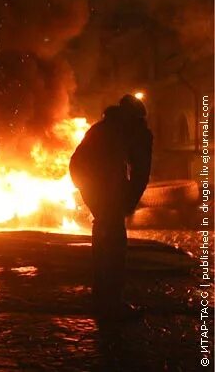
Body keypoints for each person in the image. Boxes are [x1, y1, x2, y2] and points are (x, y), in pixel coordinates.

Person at [69, 94, 153, 320]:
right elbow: (141, 172)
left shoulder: (102, 128)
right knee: (115, 245)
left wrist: (90, 195)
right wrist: (127, 202)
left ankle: (101, 297)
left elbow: (76, 163)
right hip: (107, 193)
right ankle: (112, 303)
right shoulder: (133, 131)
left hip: (100, 191)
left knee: (103, 239)